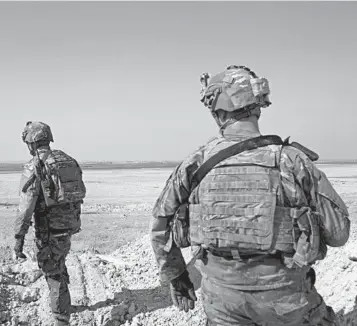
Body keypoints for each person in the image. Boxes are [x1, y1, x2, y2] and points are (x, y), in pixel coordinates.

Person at [150, 65, 350, 325]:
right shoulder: (291, 160)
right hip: (285, 300)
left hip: (221, 301)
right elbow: (339, 233)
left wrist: (177, 276)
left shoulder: (195, 163)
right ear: (257, 107)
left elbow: (160, 223)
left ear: (217, 111)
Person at [14, 121, 86, 326]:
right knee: (59, 261)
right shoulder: (67, 160)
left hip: (49, 229)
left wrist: (18, 238)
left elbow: (26, 208)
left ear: (31, 143)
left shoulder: (35, 165)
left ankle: (61, 318)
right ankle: (64, 303)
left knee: (51, 269)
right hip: (68, 226)